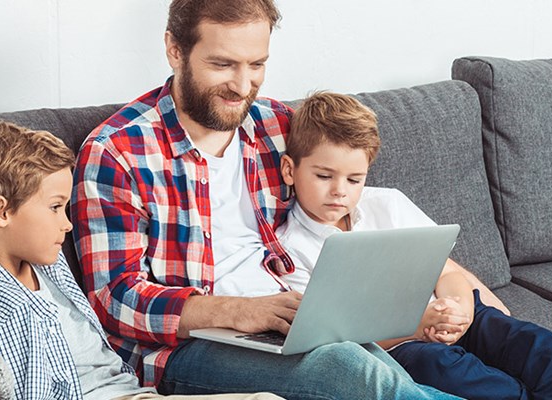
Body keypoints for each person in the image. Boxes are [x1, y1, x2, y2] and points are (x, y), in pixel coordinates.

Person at [71, 0, 467, 398]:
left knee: (373, 367)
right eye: (223, 65)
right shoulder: (117, 152)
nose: (243, 87)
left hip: (292, 319)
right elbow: (114, 297)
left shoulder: (276, 125)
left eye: (256, 65)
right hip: (187, 348)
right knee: (351, 371)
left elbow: (346, 195)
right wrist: (241, 311)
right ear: (175, 50)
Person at [275, 92, 552, 400]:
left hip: (456, 316)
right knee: (454, 372)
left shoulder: (388, 204)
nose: (339, 191)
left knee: (543, 346)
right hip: (397, 346)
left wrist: (459, 306)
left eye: (353, 179)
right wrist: (418, 324)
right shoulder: (290, 247)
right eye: (324, 176)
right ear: (290, 170)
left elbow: (446, 271)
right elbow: (334, 338)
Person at [0, 121, 281, 400]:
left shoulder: (48, 262)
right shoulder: (7, 305)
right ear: (3, 211)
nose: (67, 224)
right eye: (55, 207)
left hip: (131, 391)